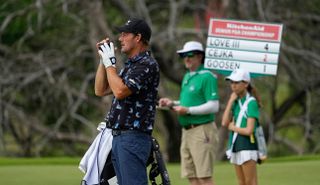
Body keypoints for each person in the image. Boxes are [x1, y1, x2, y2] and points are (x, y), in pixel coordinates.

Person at [94, 18, 160, 185]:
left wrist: (111, 63)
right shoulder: (131, 66)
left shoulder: (147, 64)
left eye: (124, 34)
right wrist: (104, 60)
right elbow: (100, 90)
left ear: (137, 38)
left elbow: (120, 91)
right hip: (120, 138)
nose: (120, 38)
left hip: (133, 138)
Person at [159, 41, 219, 185]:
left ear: (199, 56)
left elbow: (214, 105)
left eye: (190, 55)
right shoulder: (188, 76)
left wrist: (189, 111)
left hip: (202, 130)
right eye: (183, 55)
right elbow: (187, 103)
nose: (186, 58)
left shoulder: (207, 77)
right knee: (191, 176)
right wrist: (172, 103)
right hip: (187, 132)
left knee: (204, 177)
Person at [221, 69, 261, 185]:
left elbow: (249, 130)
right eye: (231, 82)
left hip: (247, 145)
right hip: (236, 145)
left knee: (250, 182)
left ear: (246, 84)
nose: (233, 86)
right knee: (241, 182)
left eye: (237, 82)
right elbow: (224, 123)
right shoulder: (235, 102)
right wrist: (230, 101)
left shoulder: (251, 102)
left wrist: (233, 128)